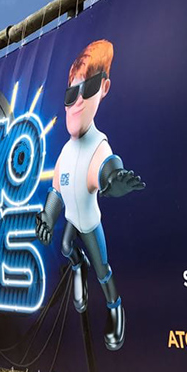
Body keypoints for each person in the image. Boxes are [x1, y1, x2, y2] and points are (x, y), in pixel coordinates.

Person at [35, 39, 145, 351]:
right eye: (72, 94)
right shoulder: (65, 151)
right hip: (72, 218)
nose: (78, 101)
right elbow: (57, 190)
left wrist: (114, 181)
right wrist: (47, 217)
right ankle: (77, 265)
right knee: (66, 247)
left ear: (104, 88)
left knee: (103, 270)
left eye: (89, 87)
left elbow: (106, 168)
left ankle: (115, 308)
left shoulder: (98, 144)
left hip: (90, 223)